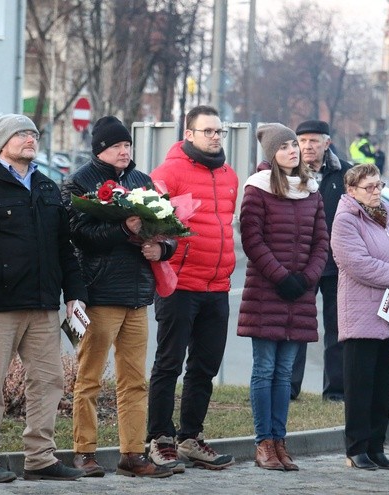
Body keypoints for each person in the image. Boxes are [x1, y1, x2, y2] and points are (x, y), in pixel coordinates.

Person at [0, 114, 87, 483]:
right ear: (2, 142)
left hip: (42, 306)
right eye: (22, 134)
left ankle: (40, 458)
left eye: (33, 134)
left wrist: (74, 295)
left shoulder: (47, 188)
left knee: (49, 381)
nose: (30, 139)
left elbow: (64, 248)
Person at [61, 116, 174, 479]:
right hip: (100, 292)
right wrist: (123, 227)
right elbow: (80, 235)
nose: (124, 151)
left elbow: (167, 225)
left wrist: (164, 248)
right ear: (100, 150)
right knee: (90, 377)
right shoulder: (80, 182)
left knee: (134, 380)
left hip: (139, 293)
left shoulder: (143, 182)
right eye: (116, 146)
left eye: (127, 145)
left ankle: (132, 453)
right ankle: (85, 451)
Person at [146, 105, 238, 471]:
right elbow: (153, 228)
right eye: (208, 131)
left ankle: (190, 437)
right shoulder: (167, 173)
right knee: (168, 364)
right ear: (189, 134)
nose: (216, 137)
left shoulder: (230, 175)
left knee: (204, 367)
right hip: (180, 285)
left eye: (220, 131)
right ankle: (160, 439)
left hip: (218, 286)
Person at [238, 124, 328, 471]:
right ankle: (263, 443)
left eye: (295, 145)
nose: (294, 150)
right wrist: (280, 276)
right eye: (286, 146)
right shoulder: (257, 189)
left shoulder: (312, 191)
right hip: (267, 291)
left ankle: (280, 441)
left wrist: (307, 277)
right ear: (272, 154)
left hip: (300, 293)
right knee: (265, 369)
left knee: (286, 371)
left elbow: (322, 240)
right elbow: (252, 239)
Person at [333, 163, 389, 470]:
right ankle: (356, 448)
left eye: (379, 185)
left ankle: (376, 446)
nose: (376, 192)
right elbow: (360, 264)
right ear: (352, 190)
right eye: (369, 187)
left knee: (382, 385)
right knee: (360, 387)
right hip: (361, 314)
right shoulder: (346, 220)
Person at [290, 119, 352, 402]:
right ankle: (289, 387)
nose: (307, 146)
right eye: (302, 141)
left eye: (314, 140)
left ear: (327, 143)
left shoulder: (346, 174)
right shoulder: (287, 173)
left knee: (338, 329)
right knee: (297, 326)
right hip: (301, 264)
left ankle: (335, 391)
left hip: (337, 264)